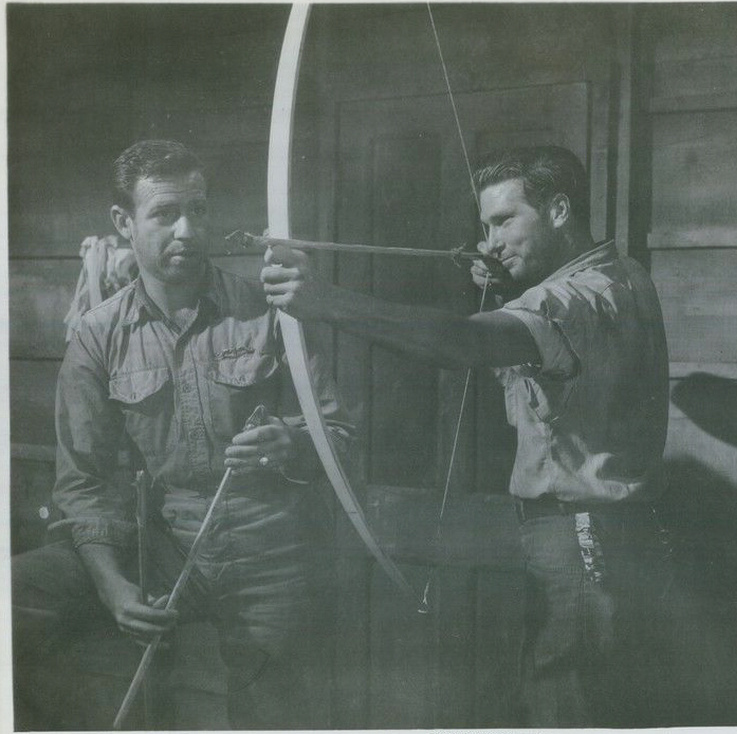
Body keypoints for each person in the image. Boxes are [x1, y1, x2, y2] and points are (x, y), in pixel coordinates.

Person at [261, 145, 671, 727]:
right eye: (485, 227)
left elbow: (465, 341)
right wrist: (510, 289)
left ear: (559, 210)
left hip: (578, 538)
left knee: (563, 709)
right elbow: (568, 365)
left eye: (504, 221)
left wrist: (327, 303)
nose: (489, 243)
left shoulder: (567, 300)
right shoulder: (623, 274)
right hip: (614, 533)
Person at [12, 140, 351, 730]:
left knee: (274, 713)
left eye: (198, 209)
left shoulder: (272, 310)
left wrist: (291, 444)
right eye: (165, 213)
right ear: (123, 222)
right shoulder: (97, 334)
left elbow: (340, 433)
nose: (188, 230)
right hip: (164, 549)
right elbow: (82, 482)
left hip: (270, 551)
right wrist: (113, 587)